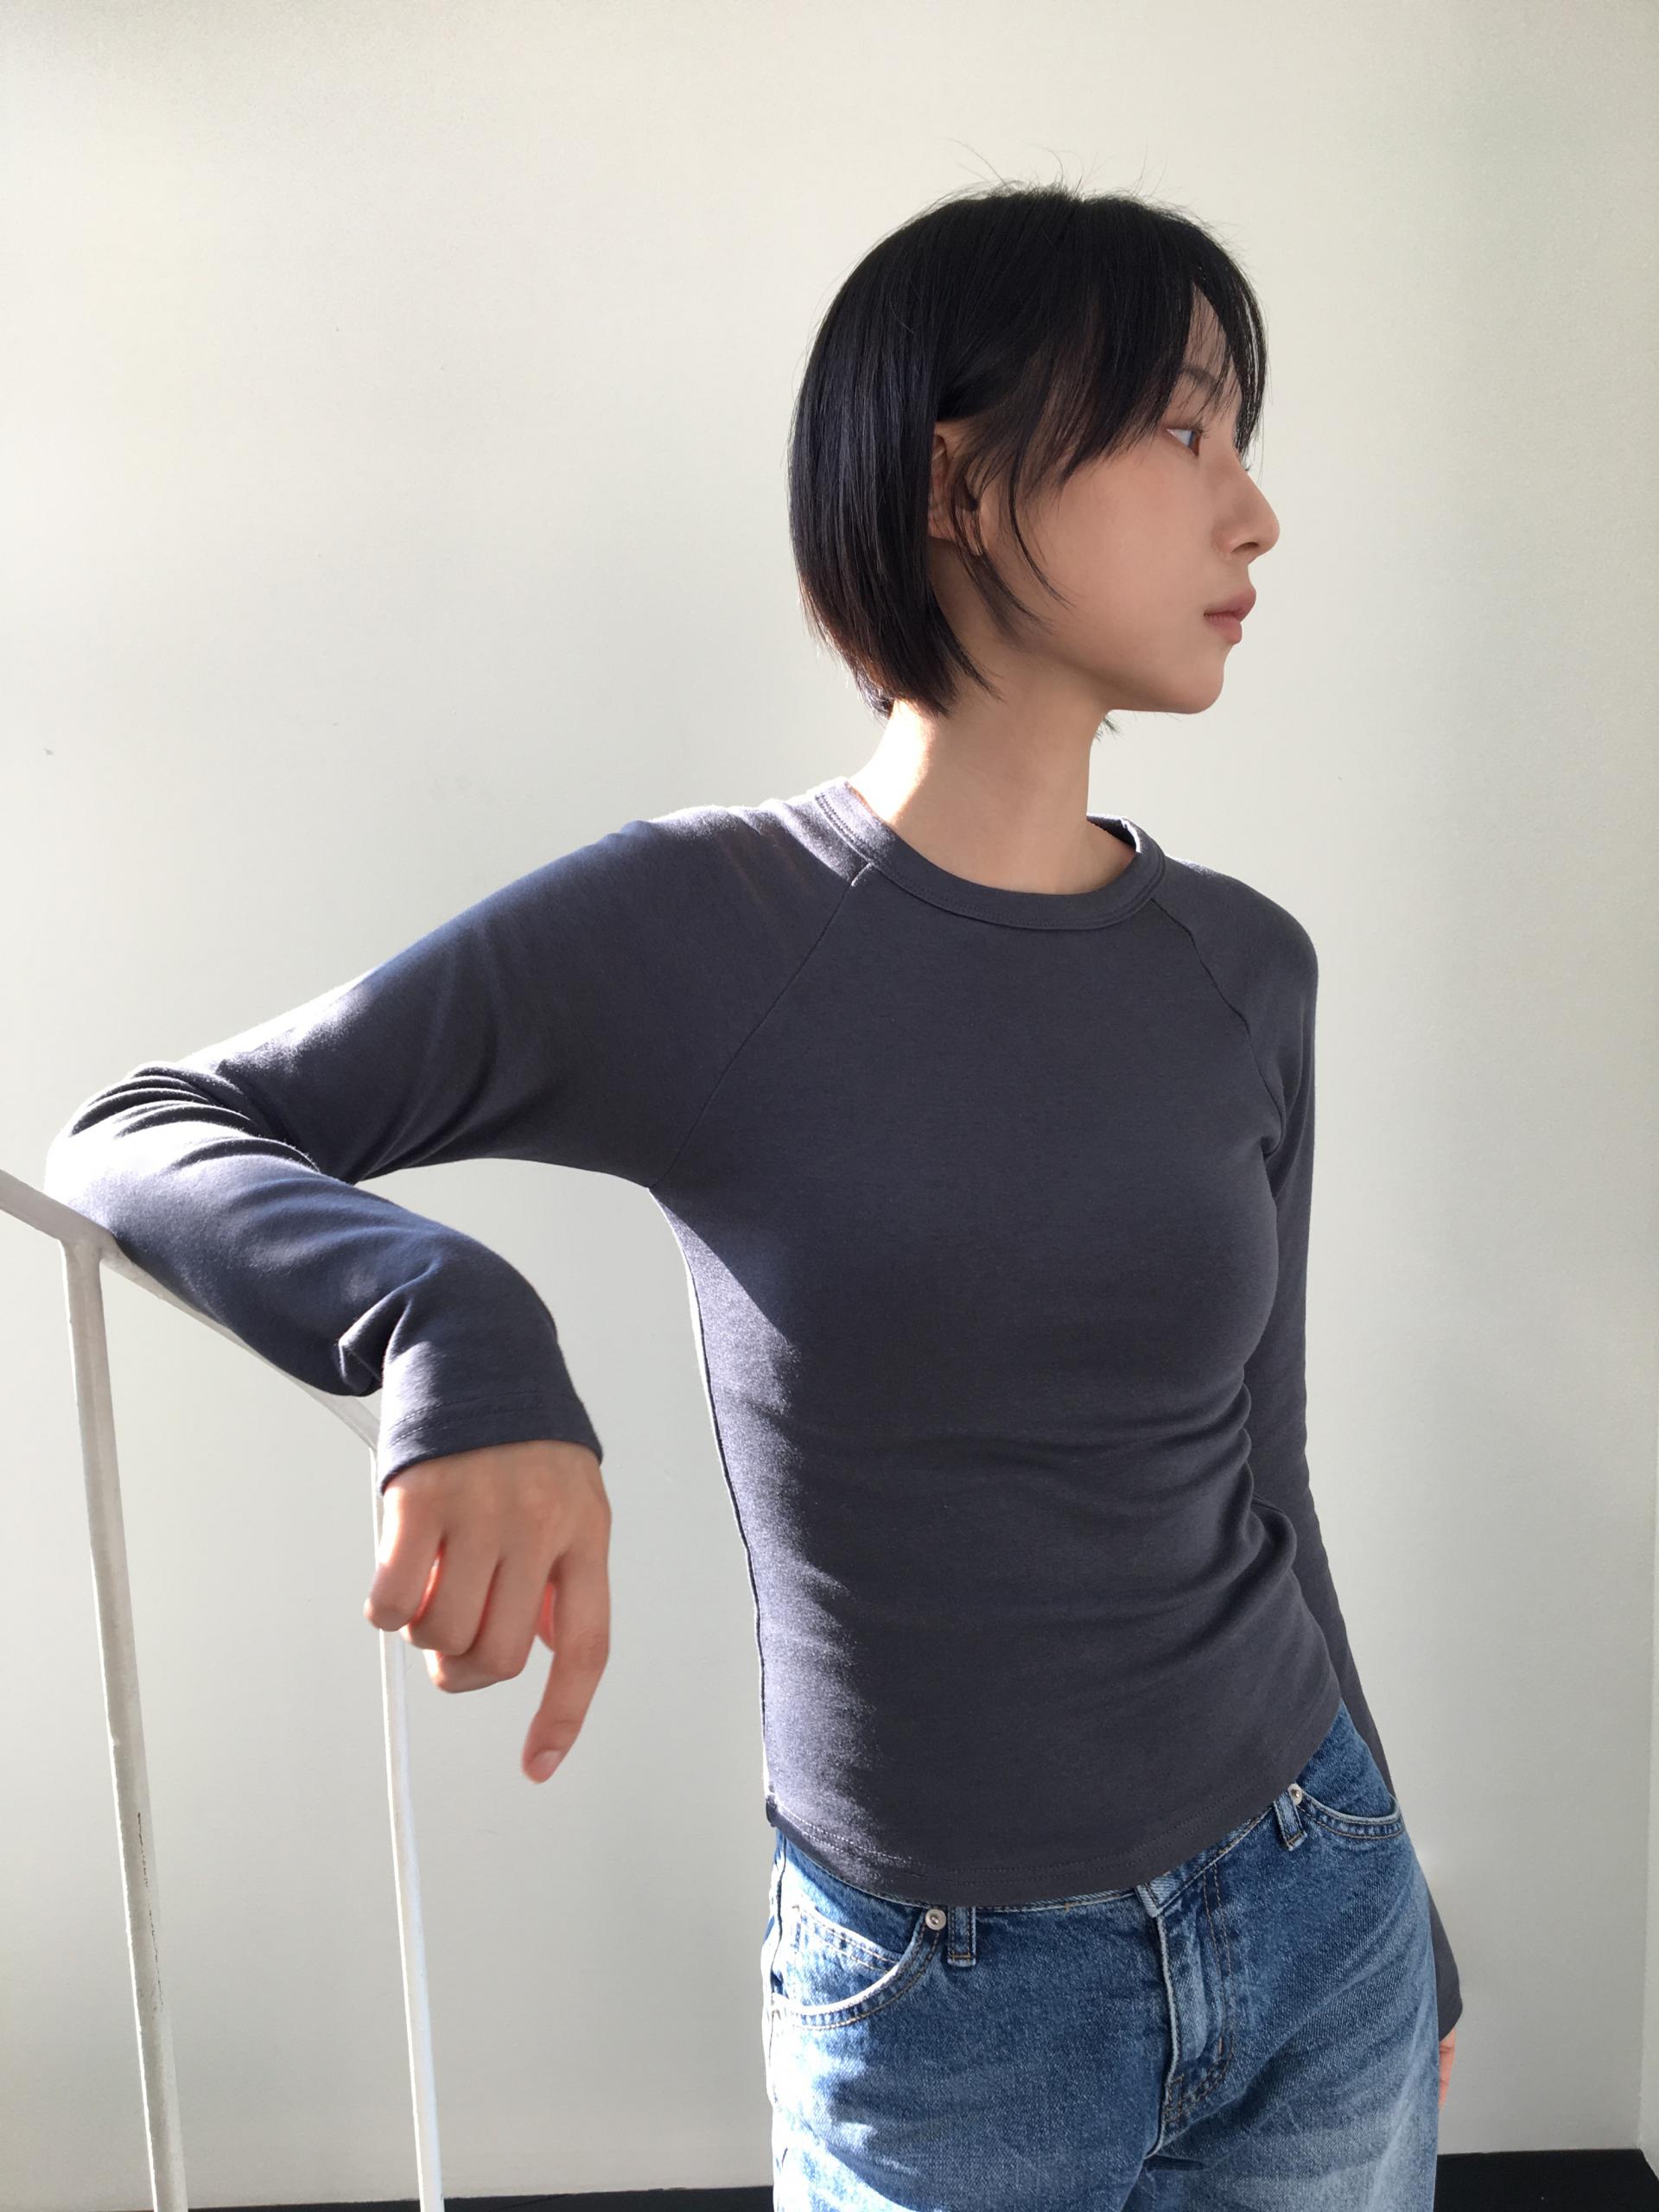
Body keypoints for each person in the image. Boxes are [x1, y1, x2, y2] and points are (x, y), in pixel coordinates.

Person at [45, 177, 1460, 2207]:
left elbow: (1268, 1461)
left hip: (1320, 1910)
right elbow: (145, 1124)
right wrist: (456, 1323)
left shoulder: (1249, 965)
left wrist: (1402, 1890)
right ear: (957, 482)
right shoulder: (707, 927)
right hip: (948, 2018)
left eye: (1242, 436)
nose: (1256, 511)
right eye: (1182, 426)